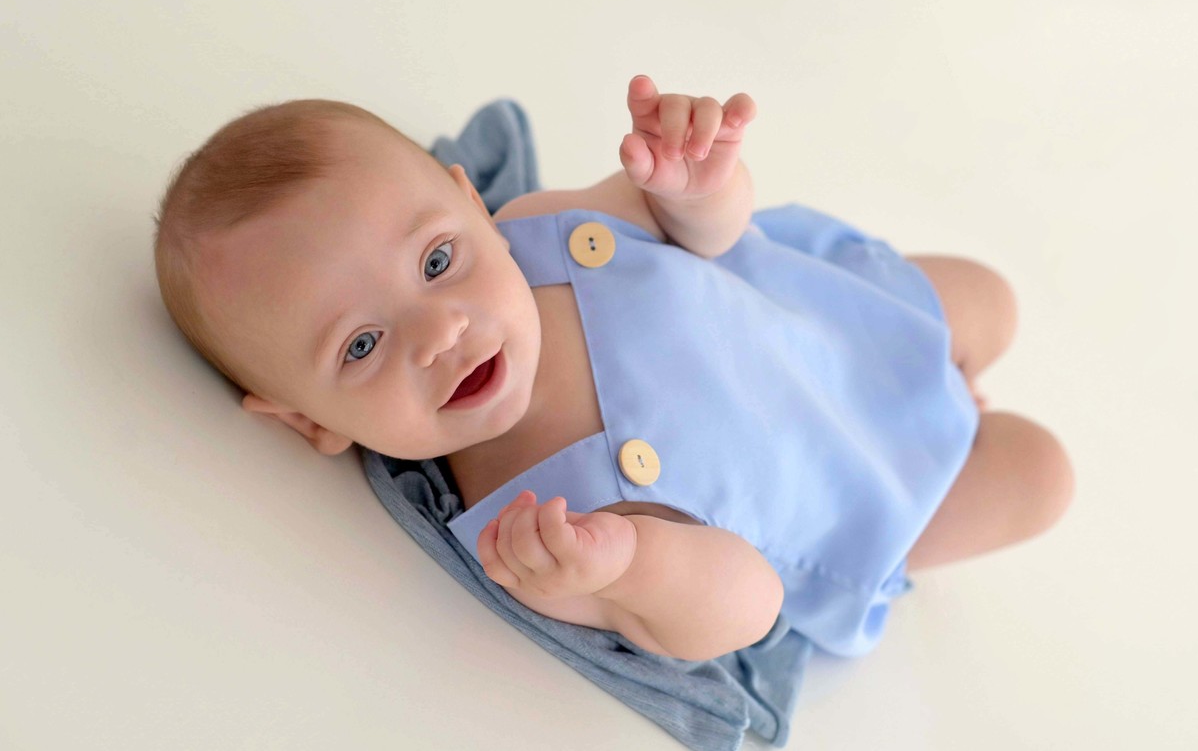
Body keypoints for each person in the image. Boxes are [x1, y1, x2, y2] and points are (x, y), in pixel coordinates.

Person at [152, 76, 1074, 662]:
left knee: (991, 301)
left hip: (830, 321)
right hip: (850, 495)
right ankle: (954, 435)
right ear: (310, 420)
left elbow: (704, 233)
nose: (441, 332)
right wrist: (629, 567)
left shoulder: (541, 228)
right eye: (361, 346)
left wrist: (698, 186)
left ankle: (947, 378)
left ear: (472, 204)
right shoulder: (532, 522)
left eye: (437, 260)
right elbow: (746, 606)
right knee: (1040, 473)